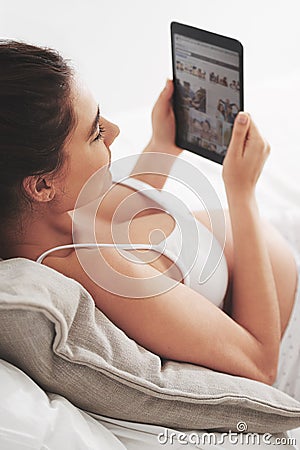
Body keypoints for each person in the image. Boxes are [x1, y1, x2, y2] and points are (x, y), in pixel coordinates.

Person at [0, 41, 299, 399]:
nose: (115, 131)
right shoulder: (103, 273)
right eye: (95, 132)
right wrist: (242, 194)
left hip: (280, 243)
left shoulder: (56, 208)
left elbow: (130, 222)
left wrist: (163, 144)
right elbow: (259, 363)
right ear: (43, 184)